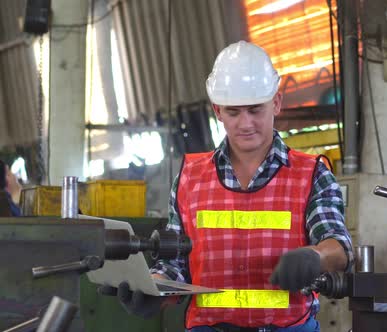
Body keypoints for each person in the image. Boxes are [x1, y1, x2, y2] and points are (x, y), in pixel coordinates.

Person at [100, 41, 353, 332]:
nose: (245, 123)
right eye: (234, 112)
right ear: (217, 111)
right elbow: (175, 264)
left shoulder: (311, 174)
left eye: (255, 110)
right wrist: (153, 289)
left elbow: (340, 246)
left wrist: (316, 256)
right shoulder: (189, 177)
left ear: (276, 103)